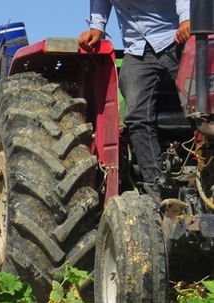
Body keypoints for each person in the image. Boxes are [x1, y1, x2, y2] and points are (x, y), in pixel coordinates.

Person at [79, 1, 190, 197]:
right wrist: (97, 27)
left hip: (175, 37)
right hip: (138, 48)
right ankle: (157, 188)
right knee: (136, 115)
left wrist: (186, 19)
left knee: (202, 106)